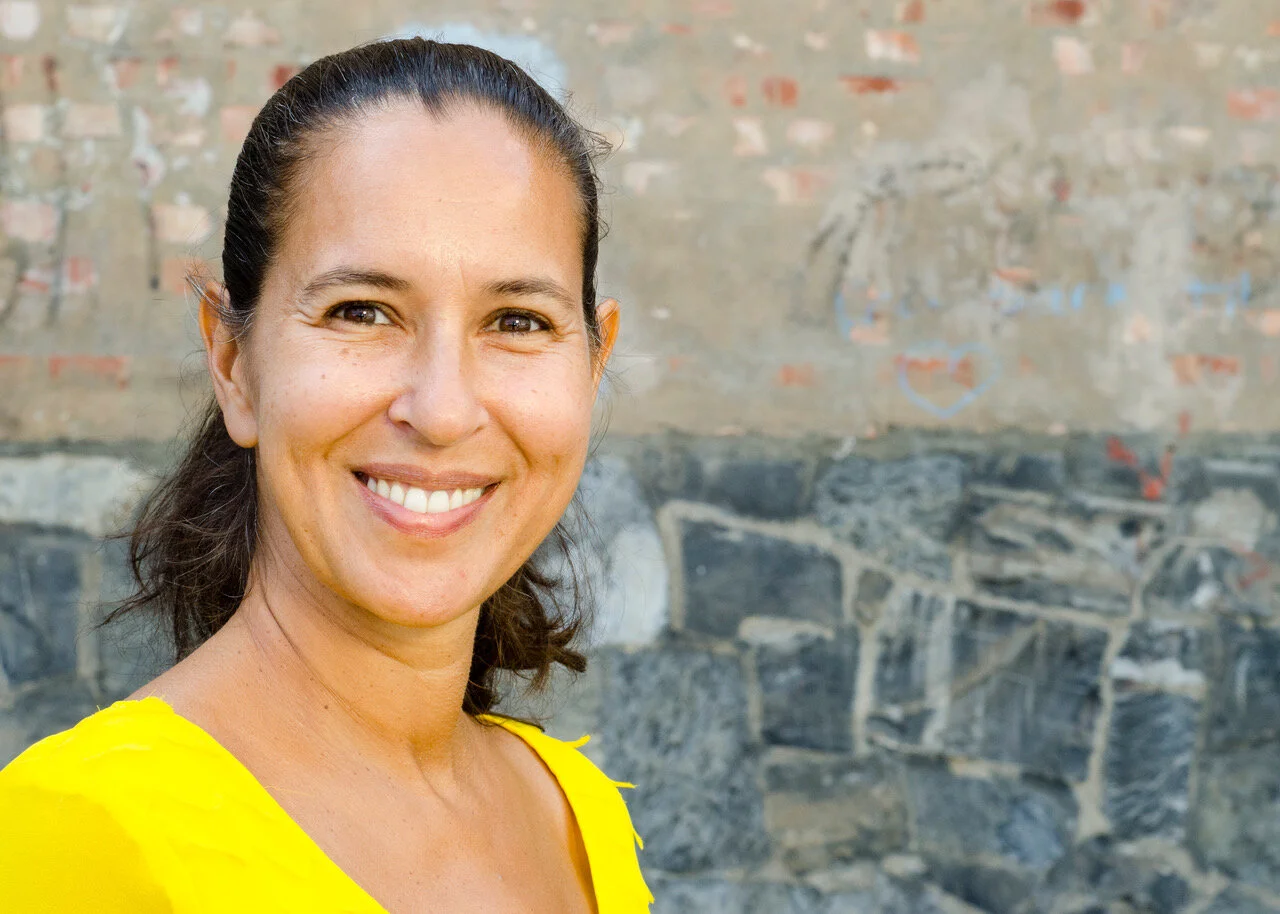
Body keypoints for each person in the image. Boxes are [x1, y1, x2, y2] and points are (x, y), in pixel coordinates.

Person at [0, 38, 652, 913]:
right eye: (362, 311)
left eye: (518, 321)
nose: (443, 410)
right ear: (233, 362)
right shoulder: (77, 834)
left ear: (594, 362)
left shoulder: (576, 813)